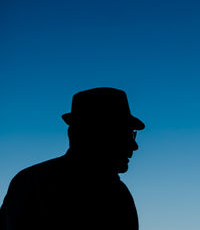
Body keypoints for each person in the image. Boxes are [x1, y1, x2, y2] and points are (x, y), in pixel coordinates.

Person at [0, 87, 145, 230]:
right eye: (123, 134)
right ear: (92, 134)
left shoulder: (30, 181)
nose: (134, 145)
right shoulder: (118, 195)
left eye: (131, 134)